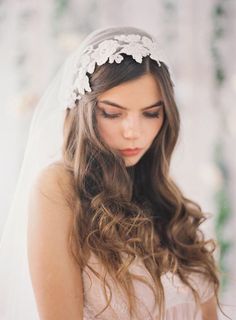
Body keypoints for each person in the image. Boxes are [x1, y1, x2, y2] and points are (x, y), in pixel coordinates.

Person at [0, 26, 221, 320]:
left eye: (151, 113)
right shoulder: (58, 188)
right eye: (113, 113)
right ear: (85, 111)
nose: (133, 132)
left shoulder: (166, 202)